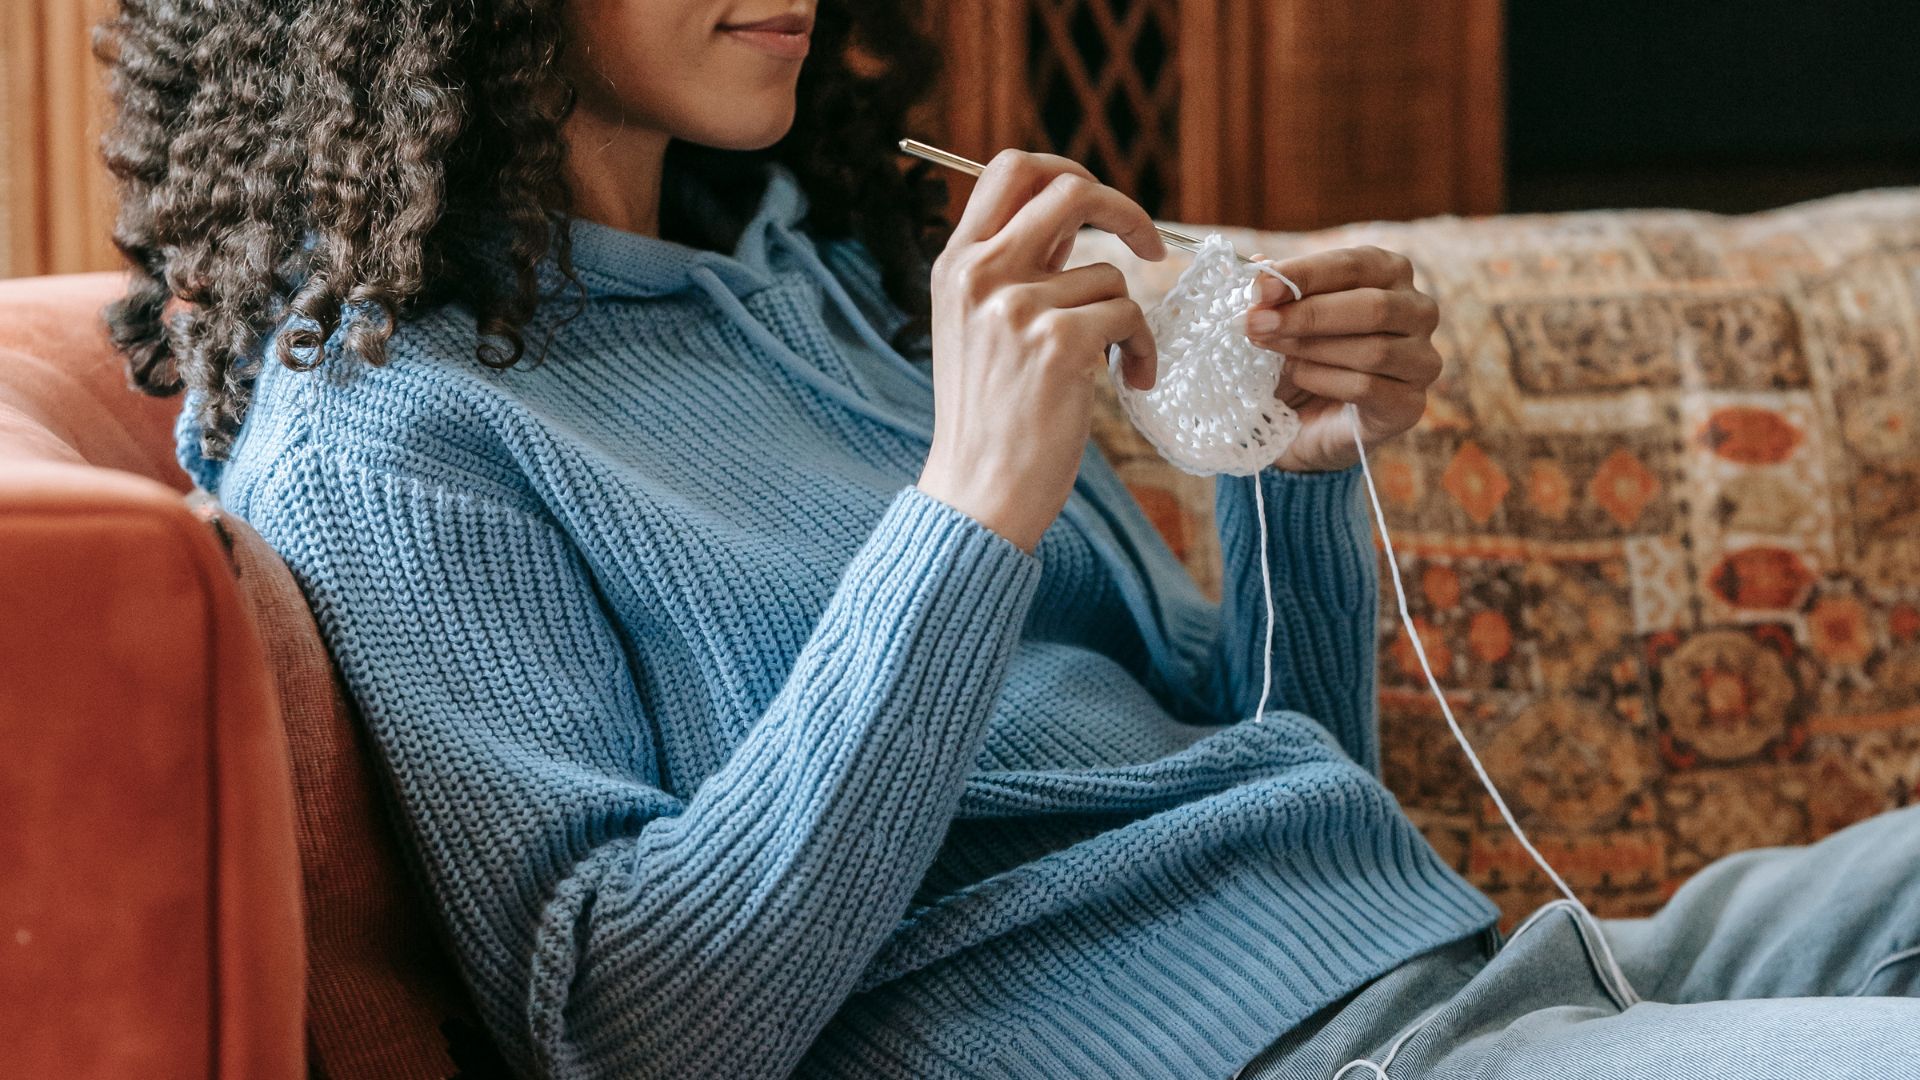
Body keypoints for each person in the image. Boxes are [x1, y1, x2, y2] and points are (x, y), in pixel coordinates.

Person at [96, 1, 1920, 1078]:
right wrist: (969, 503)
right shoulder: (388, 435)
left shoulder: (829, 292)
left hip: (1474, 983)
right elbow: (636, 1031)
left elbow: (1285, 783)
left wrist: (1283, 477)